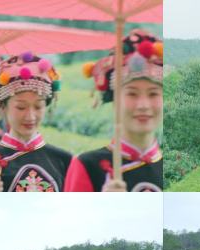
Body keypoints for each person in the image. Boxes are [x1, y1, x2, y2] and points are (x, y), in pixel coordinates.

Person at [65, 30, 163, 192]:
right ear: (114, 100)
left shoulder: (173, 169)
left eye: (153, 94)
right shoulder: (89, 166)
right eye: (132, 93)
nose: (143, 105)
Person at [0, 53, 72, 192]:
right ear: (3, 106)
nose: (30, 116)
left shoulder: (64, 160)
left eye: (38, 107)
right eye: (21, 107)